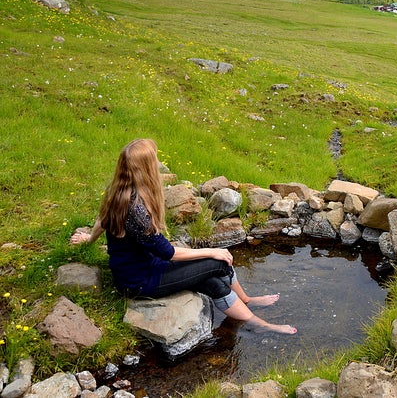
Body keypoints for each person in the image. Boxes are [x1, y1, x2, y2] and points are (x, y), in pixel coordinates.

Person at [70, 138, 296, 335]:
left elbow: (102, 220)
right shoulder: (136, 208)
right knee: (218, 262)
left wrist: (89, 238)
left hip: (139, 271)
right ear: (147, 168)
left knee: (212, 282)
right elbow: (167, 252)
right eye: (155, 159)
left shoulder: (118, 190)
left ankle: (252, 315)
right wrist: (212, 250)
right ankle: (254, 312)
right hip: (141, 281)